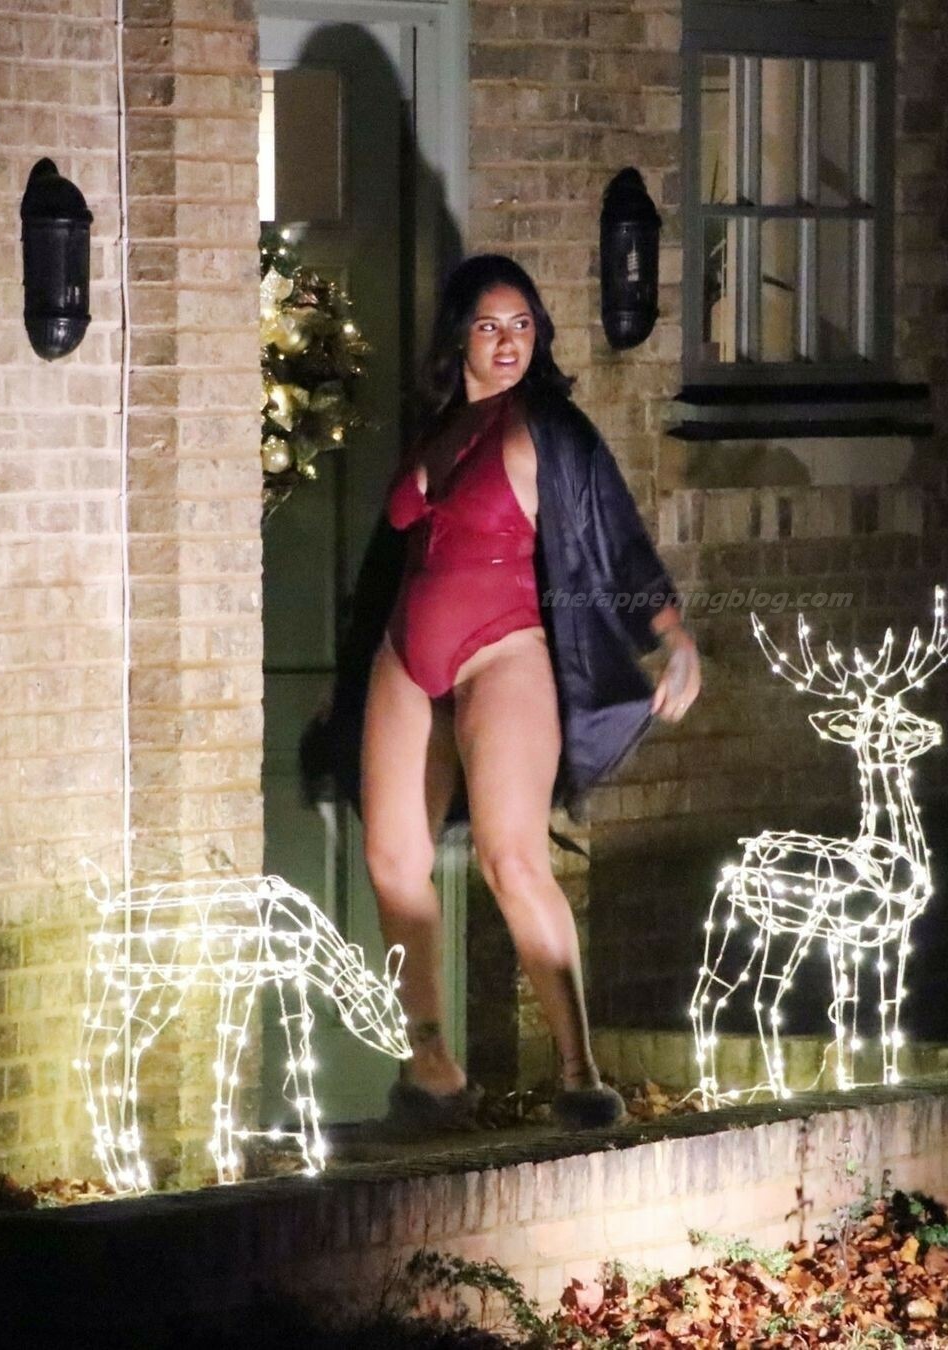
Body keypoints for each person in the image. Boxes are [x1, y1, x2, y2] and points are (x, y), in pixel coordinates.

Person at [304, 254, 701, 1132]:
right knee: (392, 859)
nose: (508, 341)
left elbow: (617, 539)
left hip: (505, 650)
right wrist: (346, 680)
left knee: (511, 859)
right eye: (489, 326)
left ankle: (580, 1070)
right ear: (461, 337)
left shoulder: (551, 427)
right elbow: (386, 566)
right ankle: (432, 1069)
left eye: (522, 325)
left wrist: (672, 638)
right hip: (407, 654)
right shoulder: (437, 427)